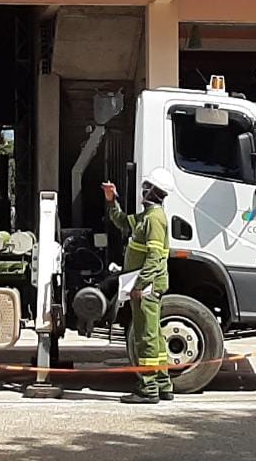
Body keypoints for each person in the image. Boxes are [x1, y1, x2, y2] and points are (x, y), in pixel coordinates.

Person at [103, 169, 174, 404]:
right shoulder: (146, 217)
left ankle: (148, 389)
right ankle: (164, 385)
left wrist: (140, 285)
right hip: (146, 285)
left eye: (147, 186)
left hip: (147, 287)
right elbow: (122, 222)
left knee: (145, 337)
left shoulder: (154, 220)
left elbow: (154, 258)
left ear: (155, 192)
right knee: (155, 336)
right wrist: (112, 200)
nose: (143, 189)